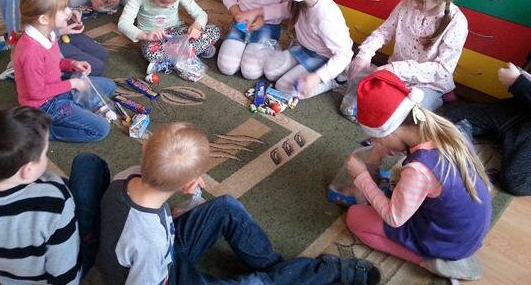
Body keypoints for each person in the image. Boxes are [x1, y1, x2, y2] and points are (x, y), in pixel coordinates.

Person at [98, 121, 381, 285]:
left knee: (226, 207)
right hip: (166, 275)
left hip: (163, 243)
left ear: (145, 150)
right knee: (257, 283)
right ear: (187, 184)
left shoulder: (130, 174)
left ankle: (274, 268)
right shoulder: (149, 241)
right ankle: (312, 273)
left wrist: (174, 220)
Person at [345, 70, 492, 281]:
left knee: (355, 217)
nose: (375, 144)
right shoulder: (447, 132)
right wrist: (376, 157)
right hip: (465, 233)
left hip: (445, 241)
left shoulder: (419, 169)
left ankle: (428, 260)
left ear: (391, 131)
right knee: (396, 183)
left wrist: (362, 177)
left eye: (376, 138)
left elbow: (394, 217)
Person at [0, 106, 110, 285]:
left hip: (12, 278)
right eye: (44, 154)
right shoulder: (55, 201)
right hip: (58, 272)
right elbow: (64, 276)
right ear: (28, 170)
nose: (45, 158)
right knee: (87, 164)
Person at [344, 0, 467, 117]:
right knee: (358, 85)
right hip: (395, 74)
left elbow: (442, 69)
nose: (413, 4)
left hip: (428, 83)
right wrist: (364, 55)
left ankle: (442, 96)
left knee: (405, 114)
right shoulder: (405, 6)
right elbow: (383, 32)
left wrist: (396, 69)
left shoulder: (456, 23)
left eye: (420, 1)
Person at [13, 0, 116, 142]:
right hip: (44, 105)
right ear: (44, 19)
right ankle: (45, 131)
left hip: (58, 88)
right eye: (63, 9)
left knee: (110, 86)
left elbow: (55, 62)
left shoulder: (48, 33)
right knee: (102, 129)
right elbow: (36, 93)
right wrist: (73, 84)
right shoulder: (30, 52)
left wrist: (72, 64)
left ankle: (74, 107)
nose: (68, 12)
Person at [264, 0, 353, 98]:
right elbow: (286, 9)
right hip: (305, 48)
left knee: (284, 86)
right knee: (270, 71)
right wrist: (259, 13)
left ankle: (335, 81)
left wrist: (317, 77)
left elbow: (344, 55)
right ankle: (307, 72)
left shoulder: (326, 17)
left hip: (325, 57)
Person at [443, 58, 531, 196]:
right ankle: (502, 141)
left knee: (515, 181)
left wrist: (518, 82)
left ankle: (507, 144)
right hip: (516, 111)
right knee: (451, 116)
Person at [118, 0, 221, 75]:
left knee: (214, 30)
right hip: (153, 39)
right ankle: (192, 52)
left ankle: (169, 60)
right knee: (151, 53)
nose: (168, 6)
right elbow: (123, 23)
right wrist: (145, 36)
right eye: (163, 2)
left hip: (177, 32)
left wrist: (196, 26)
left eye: (173, 2)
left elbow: (201, 14)